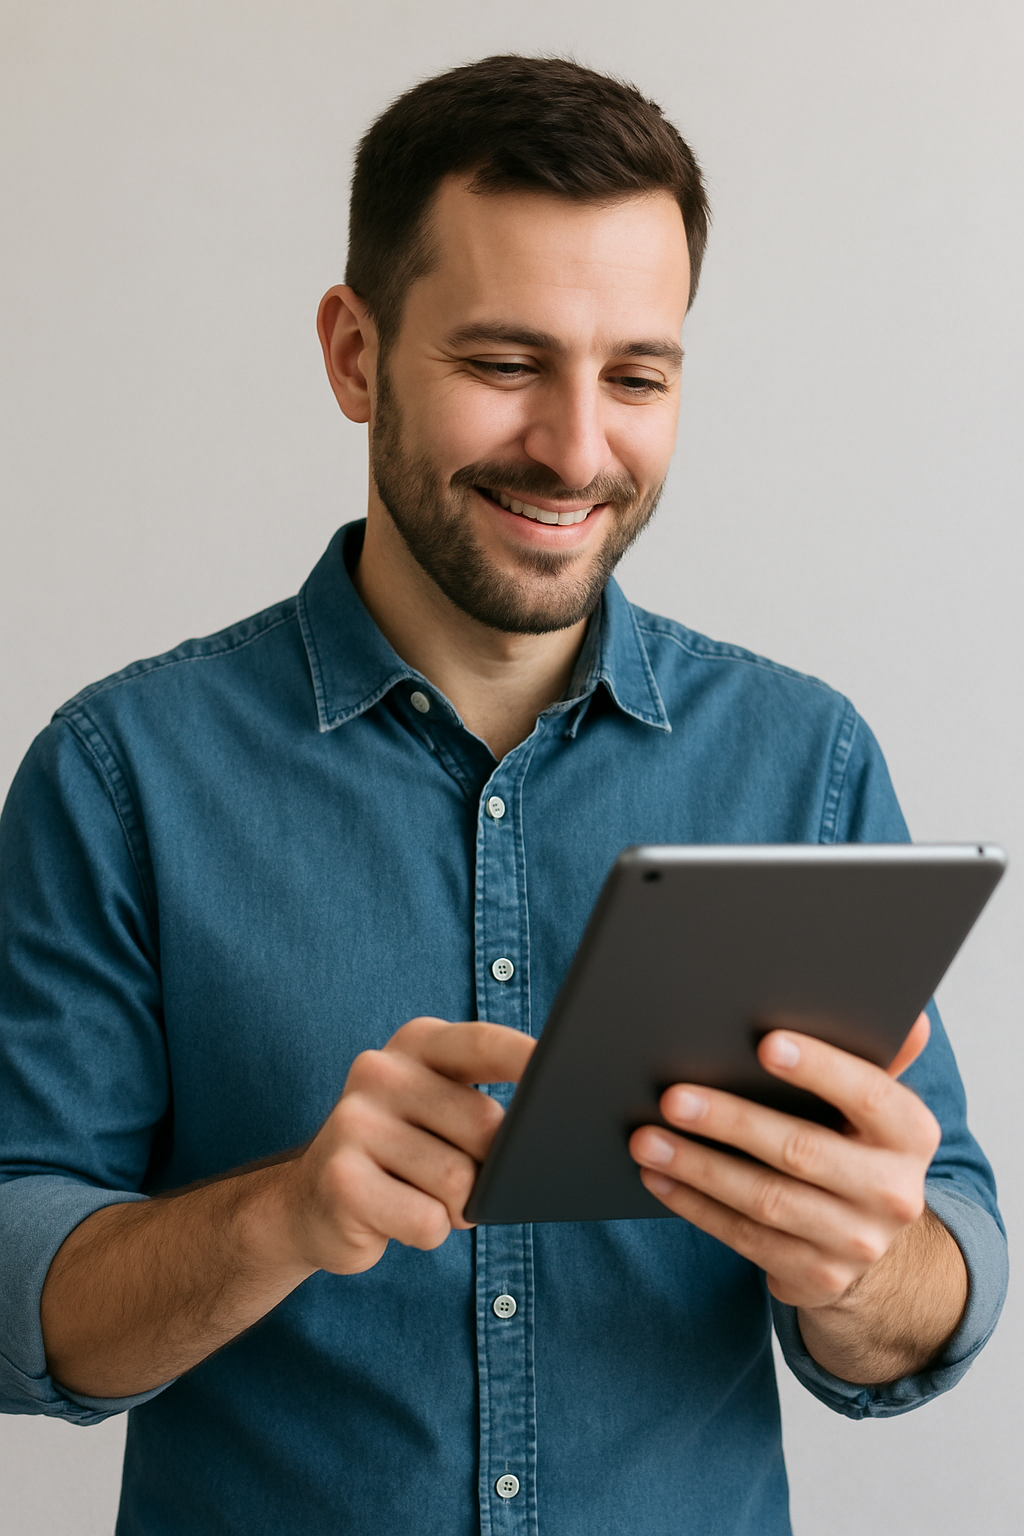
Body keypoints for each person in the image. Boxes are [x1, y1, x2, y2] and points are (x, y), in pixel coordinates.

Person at [0, 54, 1007, 1536]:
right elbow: (23, 1290)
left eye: (638, 377)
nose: (578, 448)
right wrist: (286, 1216)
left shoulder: (808, 762)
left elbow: (947, 1273)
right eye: (504, 363)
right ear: (355, 352)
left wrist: (867, 1264)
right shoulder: (120, 775)